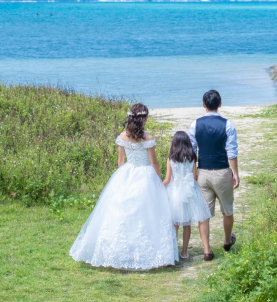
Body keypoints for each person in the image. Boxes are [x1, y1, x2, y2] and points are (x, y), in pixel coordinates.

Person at [69, 103, 179, 270]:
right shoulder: (148, 139)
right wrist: (159, 181)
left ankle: (120, 252)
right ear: (145, 118)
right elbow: (154, 163)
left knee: (122, 213)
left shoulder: (123, 136)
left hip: (126, 173)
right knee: (146, 214)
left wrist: (123, 179)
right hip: (145, 174)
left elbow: (120, 162)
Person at [188, 89, 240, 261]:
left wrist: (193, 173)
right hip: (222, 171)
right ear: (220, 104)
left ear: (203, 105)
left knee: (204, 213)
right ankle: (226, 241)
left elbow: (192, 152)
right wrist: (235, 173)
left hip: (203, 172)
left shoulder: (195, 124)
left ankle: (207, 250)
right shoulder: (228, 125)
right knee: (227, 210)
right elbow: (231, 152)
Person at [162, 131, 212, 259]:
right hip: (190, 192)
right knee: (187, 224)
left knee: (175, 224)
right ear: (187, 143)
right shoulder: (192, 157)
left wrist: (158, 186)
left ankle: (173, 253)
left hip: (175, 192)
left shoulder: (171, 159)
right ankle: (184, 252)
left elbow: (168, 179)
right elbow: (194, 177)